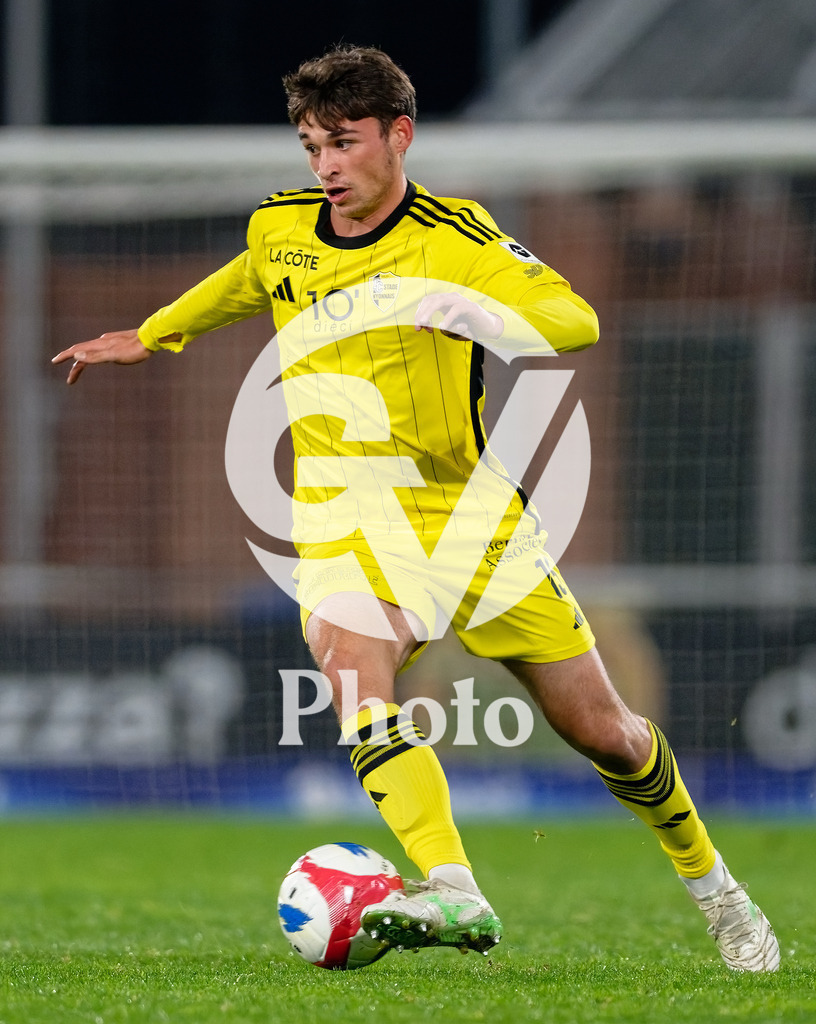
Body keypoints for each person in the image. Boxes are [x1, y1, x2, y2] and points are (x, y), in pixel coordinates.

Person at [53, 44, 779, 972]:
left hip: (468, 516)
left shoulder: (457, 234)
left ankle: (718, 891)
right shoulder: (282, 227)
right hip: (343, 515)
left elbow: (575, 319)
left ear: (398, 135)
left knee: (609, 734)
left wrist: (461, 306)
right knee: (350, 658)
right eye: (311, 145)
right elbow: (251, 275)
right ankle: (455, 888)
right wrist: (153, 335)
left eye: (343, 143)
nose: (325, 167)